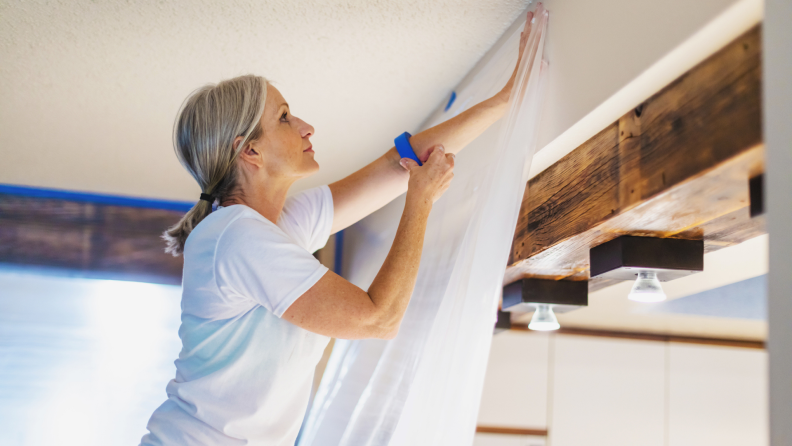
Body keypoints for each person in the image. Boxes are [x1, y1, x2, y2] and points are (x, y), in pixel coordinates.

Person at [140, 12, 533, 445]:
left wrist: (503, 99)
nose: (307, 126)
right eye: (285, 117)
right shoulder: (236, 237)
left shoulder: (273, 227)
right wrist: (420, 202)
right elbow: (378, 318)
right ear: (250, 150)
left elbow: (395, 164)